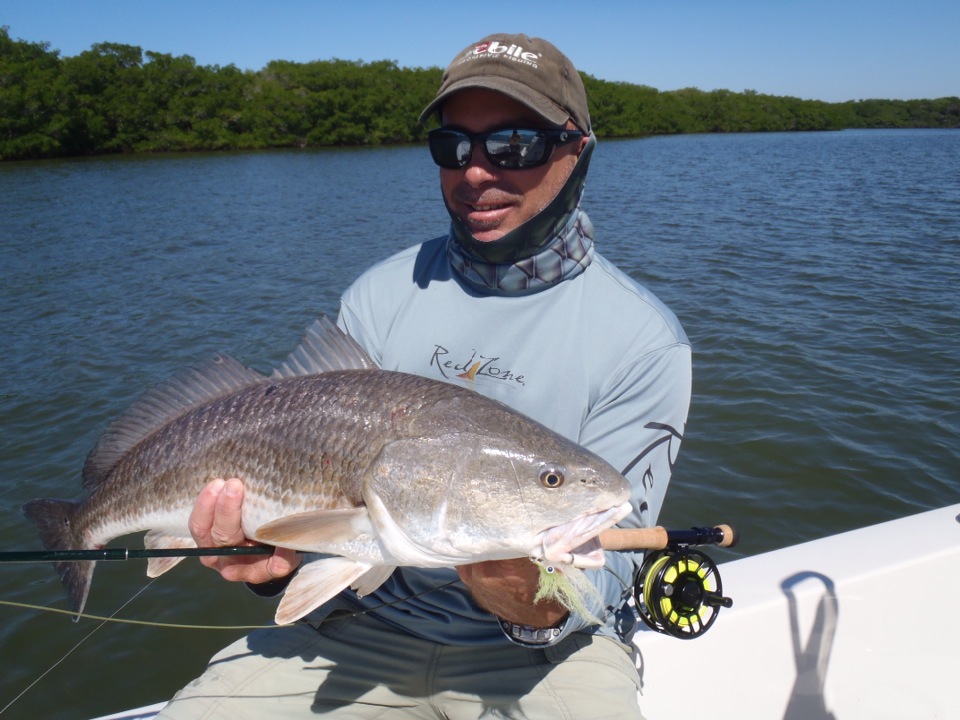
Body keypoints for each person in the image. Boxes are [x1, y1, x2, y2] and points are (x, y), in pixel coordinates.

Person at [158, 33, 691, 719]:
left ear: (577, 150)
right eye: (453, 146)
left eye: (514, 145)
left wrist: (526, 593)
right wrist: (269, 564)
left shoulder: (645, 342)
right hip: (357, 626)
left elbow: (610, 569)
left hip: (548, 652)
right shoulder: (378, 296)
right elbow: (314, 511)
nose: (475, 172)